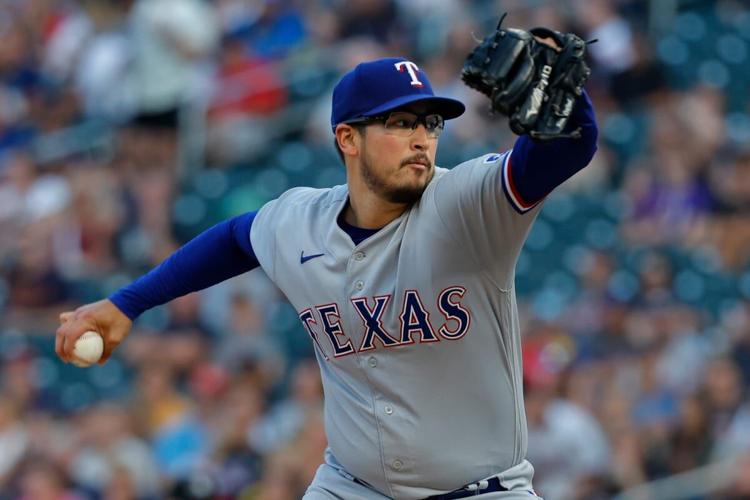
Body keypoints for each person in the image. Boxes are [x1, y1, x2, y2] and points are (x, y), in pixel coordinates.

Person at [56, 53, 598, 499]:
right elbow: (232, 240)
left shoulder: (466, 203)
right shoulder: (299, 221)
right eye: (401, 122)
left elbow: (564, 151)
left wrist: (567, 104)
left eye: (430, 123)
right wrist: (128, 303)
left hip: (480, 492)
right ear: (347, 138)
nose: (422, 139)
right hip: (352, 487)